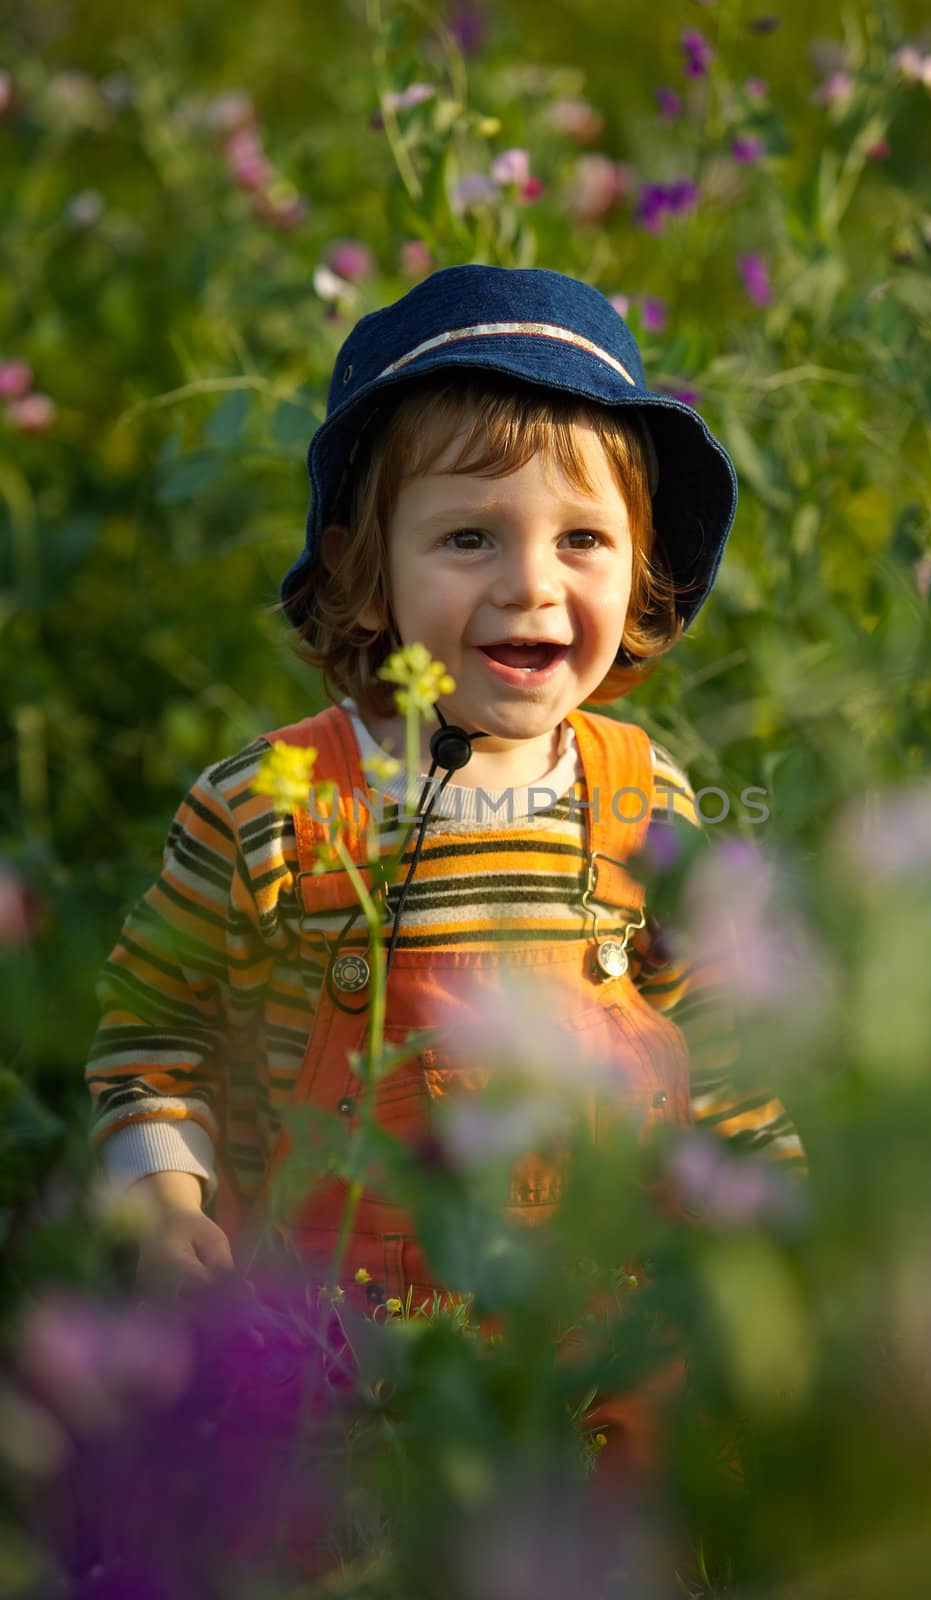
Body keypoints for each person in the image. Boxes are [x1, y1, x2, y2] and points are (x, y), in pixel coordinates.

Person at [85, 264, 806, 1464]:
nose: (529, 581)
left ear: (637, 571)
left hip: (600, 1373)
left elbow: (716, 1045)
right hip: (335, 1372)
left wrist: (770, 1228)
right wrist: (164, 1207)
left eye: (582, 537)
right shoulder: (269, 805)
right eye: (468, 535)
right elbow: (147, 1044)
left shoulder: (648, 799)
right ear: (366, 569)